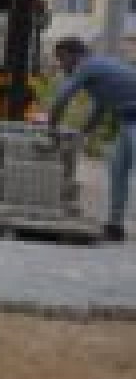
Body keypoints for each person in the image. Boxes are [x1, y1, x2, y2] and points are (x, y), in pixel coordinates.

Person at [47, 36, 136, 243]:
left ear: (73, 55)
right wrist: (82, 134)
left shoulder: (87, 65)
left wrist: (51, 128)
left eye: (61, 59)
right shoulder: (98, 67)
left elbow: (62, 97)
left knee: (122, 170)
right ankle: (115, 226)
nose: (61, 65)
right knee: (117, 170)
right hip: (128, 120)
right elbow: (100, 108)